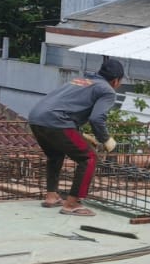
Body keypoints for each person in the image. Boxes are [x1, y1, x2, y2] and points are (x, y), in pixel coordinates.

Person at [28, 56, 124, 216]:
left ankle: (51, 197)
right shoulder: (107, 90)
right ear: (115, 81)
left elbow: (67, 108)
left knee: (55, 155)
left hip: (36, 118)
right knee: (89, 158)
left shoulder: (81, 80)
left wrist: (81, 135)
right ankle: (72, 204)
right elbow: (97, 118)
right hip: (57, 122)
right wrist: (106, 139)